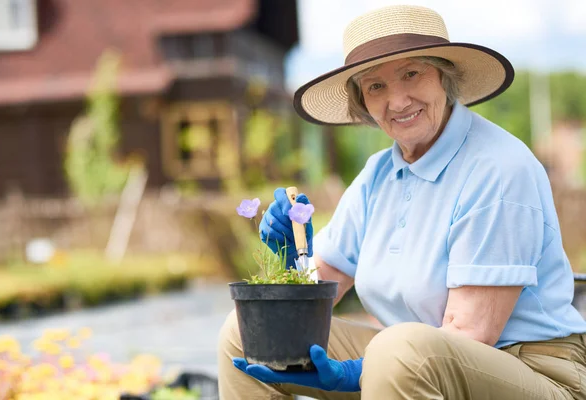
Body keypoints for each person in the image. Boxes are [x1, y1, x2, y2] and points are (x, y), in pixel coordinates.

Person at [218, 5, 586, 399]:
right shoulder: (378, 175)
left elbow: (470, 334)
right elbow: (319, 289)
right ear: (362, 100)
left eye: (412, 73)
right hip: (408, 362)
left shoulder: (498, 168)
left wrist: (357, 371)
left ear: (445, 76)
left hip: (531, 370)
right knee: (246, 333)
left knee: (395, 350)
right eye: (375, 86)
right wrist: (293, 256)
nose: (397, 101)